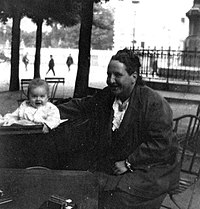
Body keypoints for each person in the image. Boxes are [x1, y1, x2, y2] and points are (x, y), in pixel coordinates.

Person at [58, 48, 180, 209]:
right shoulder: (109, 95)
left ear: (134, 77)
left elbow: (162, 144)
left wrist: (129, 163)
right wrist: (47, 110)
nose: (111, 80)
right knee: (86, 187)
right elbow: (83, 105)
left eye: (117, 75)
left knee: (117, 198)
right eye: (109, 74)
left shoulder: (153, 103)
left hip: (153, 170)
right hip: (120, 165)